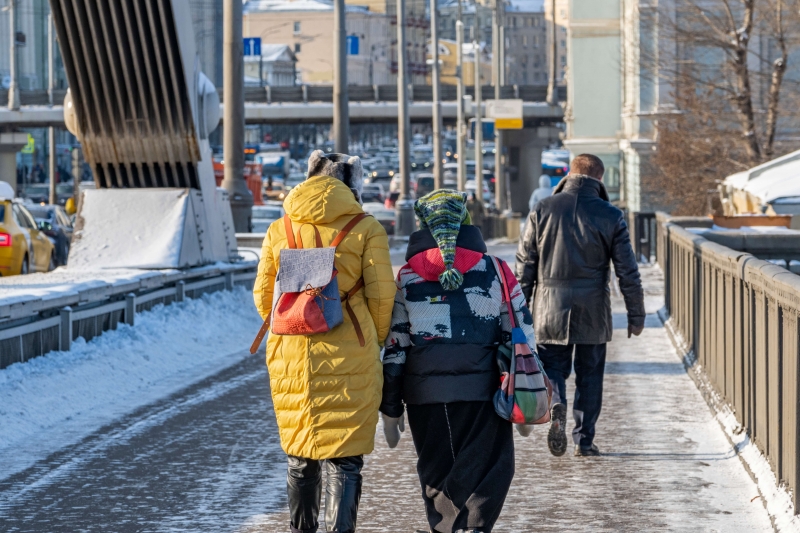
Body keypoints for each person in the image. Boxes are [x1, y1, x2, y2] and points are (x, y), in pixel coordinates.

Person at [253, 150, 396, 533]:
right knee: (345, 460)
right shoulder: (366, 228)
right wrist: (373, 340)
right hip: (351, 348)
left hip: (290, 354)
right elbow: (383, 297)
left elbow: (263, 297)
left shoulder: (279, 228)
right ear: (352, 184)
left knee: (300, 456)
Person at [381, 190, 539, 533]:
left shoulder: (408, 277)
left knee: (436, 474)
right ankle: (473, 527)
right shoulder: (496, 270)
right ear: (466, 220)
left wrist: (391, 407)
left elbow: (396, 344)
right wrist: (525, 395)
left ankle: (447, 526)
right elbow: (521, 331)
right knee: (493, 469)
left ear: (424, 224)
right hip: (483, 391)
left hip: (424, 396)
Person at [515, 154, 645, 458]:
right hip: (593, 310)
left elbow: (524, 267)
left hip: (548, 308)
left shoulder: (542, 209)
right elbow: (628, 270)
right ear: (598, 179)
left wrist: (519, 314)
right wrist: (635, 314)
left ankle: (556, 403)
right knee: (590, 375)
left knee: (553, 368)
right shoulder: (610, 215)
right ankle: (583, 441)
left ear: (568, 175)